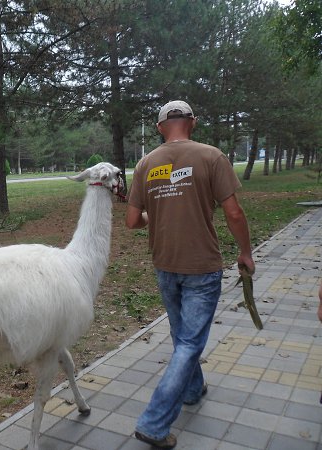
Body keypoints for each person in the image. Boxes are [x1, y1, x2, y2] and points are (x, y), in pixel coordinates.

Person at [125, 100, 255, 449]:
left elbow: (133, 221)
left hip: (165, 265)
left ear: (159, 128)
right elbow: (234, 213)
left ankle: (193, 388)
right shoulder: (212, 156)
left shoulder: (145, 164)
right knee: (189, 342)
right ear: (192, 122)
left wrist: (155, 215)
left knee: (182, 335)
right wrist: (245, 252)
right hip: (201, 267)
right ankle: (154, 424)